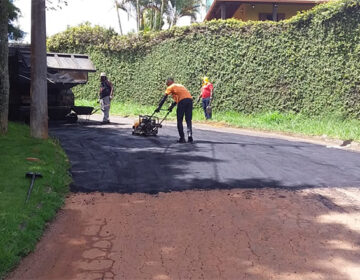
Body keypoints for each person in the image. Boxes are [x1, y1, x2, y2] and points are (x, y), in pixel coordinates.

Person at [155, 78, 193, 143]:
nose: (166, 83)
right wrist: (171, 107)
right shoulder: (180, 86)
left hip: (182, 102)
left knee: (179, 120)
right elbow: (179, 99)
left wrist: (159, 107)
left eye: (167, 82)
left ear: (170, 82)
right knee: (188, 119)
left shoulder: (170, 87)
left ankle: (182, 138)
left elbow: (164, 98)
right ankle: (190, 136)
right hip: (190, 101)